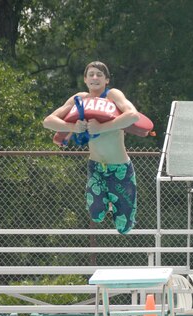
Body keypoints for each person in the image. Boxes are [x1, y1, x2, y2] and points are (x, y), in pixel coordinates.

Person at [43, 61, 140, 234]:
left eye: (99, 75)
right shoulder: (79, 99)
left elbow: (132, 115)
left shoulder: (113, 95)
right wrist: (72, 127)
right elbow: (48, 121)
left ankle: (113, 200)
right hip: (96, 167)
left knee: (124, 228)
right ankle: (107, 201)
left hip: (120, 170)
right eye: (91, 74)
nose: (95, 77)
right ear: (85, 80)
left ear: (107, 80)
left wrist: (101, 127)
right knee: (96, 215)